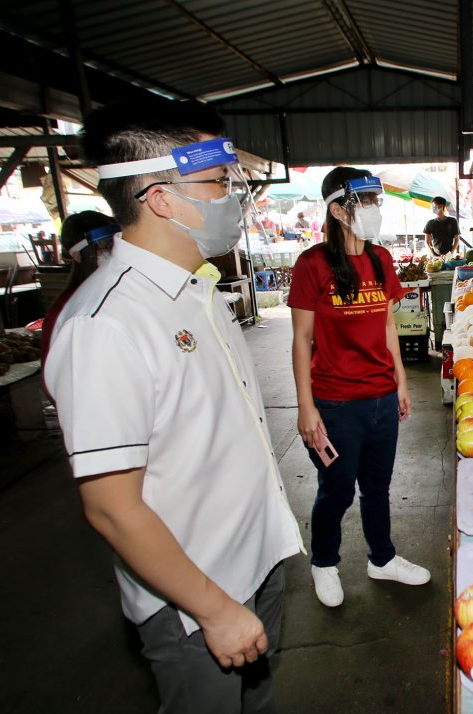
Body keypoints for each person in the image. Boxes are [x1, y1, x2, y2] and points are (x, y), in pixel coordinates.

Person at [44, 97, 304, 714]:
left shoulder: (200, 289)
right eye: (217, 181)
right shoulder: (106, 326)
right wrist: (214, 610)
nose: (232, 196)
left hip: (255, 564)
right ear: (161, 197)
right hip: (195, 603)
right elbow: (111, 508)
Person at [288, 166, 430, 608]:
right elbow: (301, 339)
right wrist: (305, 407)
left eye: (375, 201)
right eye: (363, 201)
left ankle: (381, 558)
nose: (373, 210)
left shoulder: (380, 259)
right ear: (337, 210)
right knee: (336, 489)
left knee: (377, 486)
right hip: (335, 402)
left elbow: (388, 322)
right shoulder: (312, 265)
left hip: (381, 398)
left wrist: (401, 382)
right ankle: (324, 562)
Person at [40, 210, 119, 376]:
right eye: (105, 246)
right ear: (77, 255)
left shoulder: (131, 292)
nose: (115, 252)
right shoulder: (66, 311)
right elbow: (54, 374)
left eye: (118, 243)